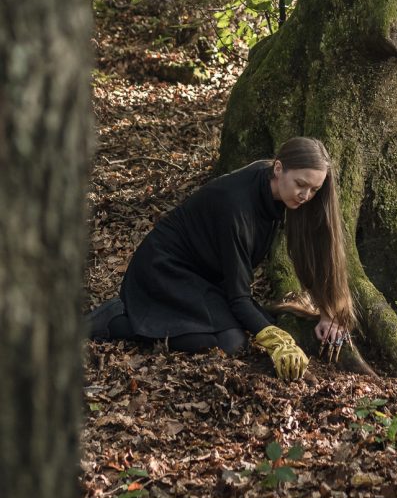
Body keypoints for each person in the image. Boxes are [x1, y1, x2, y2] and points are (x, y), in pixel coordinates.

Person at [87, 137, 355, 381]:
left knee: (239, 333)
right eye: (301, 185)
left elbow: (319, 249)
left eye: (314, 189)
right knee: (231, 342)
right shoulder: (236, 206)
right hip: (164, 269)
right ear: (278, 168)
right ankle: (116, 319)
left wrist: (329, 310)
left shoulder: (280, 190)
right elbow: (239, 298)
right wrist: (278, 341)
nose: (306, 196)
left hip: (207, 277)